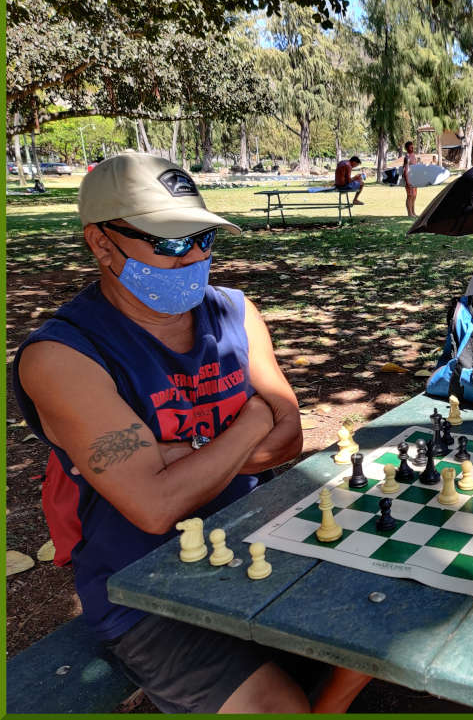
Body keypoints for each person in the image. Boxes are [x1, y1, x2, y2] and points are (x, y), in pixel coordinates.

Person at [12, 152, 370, 713]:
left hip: (258, 536)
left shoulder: (234, 310)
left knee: (387, 606)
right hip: (143, 587)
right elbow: (154, 507)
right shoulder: (61, 355)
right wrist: (250, 419)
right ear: (102, 243)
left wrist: (179, 458)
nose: (196, 256)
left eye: (203, 236)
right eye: (171, 242)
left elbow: (290, 438)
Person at [402, 141, 418, 218]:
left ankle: (413, 212)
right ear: (407, 148)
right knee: (410, 196)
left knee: (414, 196)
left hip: (414, 180)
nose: (412, 148)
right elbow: (405, 170)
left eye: (412, 146)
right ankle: (410, 213)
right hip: (409, 180)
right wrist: (407, 181)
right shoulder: (407, 157)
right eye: (411, 147)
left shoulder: (413, 155)